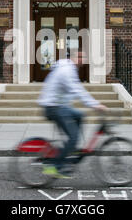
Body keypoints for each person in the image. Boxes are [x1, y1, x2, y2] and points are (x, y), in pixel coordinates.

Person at [38, 51, 107, 179]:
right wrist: (95, 104)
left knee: (80, 115)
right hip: (54, 107)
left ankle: (71, 147)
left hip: (59, 105)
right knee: (73, 137)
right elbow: (77, 90)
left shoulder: (69, 68)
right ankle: (55, 167)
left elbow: (76, 89)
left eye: (83, 57)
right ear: (72, 58)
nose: (81, 60)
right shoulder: (67, 71)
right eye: (79, 57)